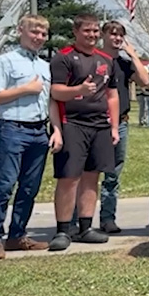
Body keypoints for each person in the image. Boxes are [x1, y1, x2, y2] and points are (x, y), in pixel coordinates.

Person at [0, 15, 57, 259]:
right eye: (34, 32)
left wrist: (56, 129)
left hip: (39, 131)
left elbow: (50, 101)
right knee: (4, 185)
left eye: (43, 34)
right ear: (20, 31)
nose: (39, 38)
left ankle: (17, 235)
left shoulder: (45, 66)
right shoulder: (5, 61)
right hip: (13, 129)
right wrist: (25, 89)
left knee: (29, 188)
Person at [69, 20, 149, 234]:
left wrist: (133, 56)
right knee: (85, 172)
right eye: (112, 34)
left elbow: (145, 81)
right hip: (93, 122)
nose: (116, 38)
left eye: (120, 35)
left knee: (112, 175)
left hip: (120, 123)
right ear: (104, 36)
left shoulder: (123, 63)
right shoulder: (92, 59)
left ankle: (107, 218)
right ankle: (76, 219)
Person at [48, 13, 119, 251]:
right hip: (73, 123)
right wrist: (78, 89)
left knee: (93, 175)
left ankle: (86, 226)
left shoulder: (106, 59)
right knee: (69, 177)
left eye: (96, 31)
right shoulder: (63, 58)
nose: (92, 35)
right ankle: (62, 229)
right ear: (76, 32)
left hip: (100, 125)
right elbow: (56, 92)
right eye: (87, 31)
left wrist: (114, 126)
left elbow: (112, 94)